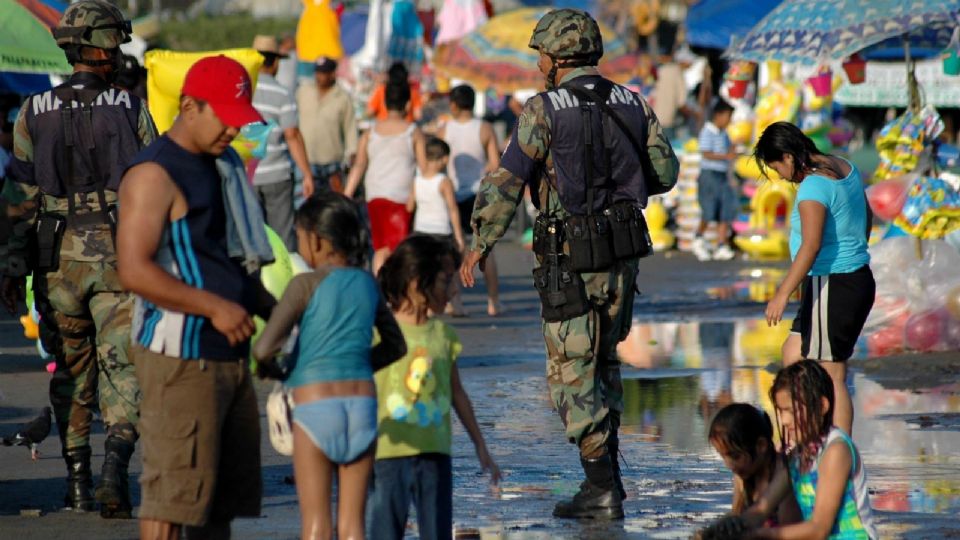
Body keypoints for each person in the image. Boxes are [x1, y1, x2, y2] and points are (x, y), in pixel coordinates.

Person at [461, 9, 679, 520]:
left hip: (568, 258)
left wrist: (480, 242)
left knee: (571, 373)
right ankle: (607, 481)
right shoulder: (633, 101)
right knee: (605, 362)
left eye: (539, 51)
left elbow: (507, 181)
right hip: (623, 255)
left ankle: (601, 486)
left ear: (556, 57)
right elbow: (664, 172)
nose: (536, 60)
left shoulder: (543, 110)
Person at [0, 0, 156, 518]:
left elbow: (18, 199)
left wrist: (10, 267)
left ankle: (79, 484)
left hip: (55, 262)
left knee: (71, 369)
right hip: (120, 257)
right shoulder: (132, 108)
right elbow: (154, 187)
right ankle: (116, 466)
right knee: (123, 365)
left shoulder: (31, 111)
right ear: (106, 46)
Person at [117, 55, 276, 539]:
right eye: (225, 118)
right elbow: (134, 270)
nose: (233, 130)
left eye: (239, 119)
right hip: (179, 359)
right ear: (189, 106)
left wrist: (288, 318)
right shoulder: (153, 174)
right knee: (171, 498)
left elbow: (231, 263)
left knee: (216, 504)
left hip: (229, 355)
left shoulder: (225, 165)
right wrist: (214, 307)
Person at [252, 193, 407, 540]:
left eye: (299, 235)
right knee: (354, 526)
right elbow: (396, 346)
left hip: (314, 407)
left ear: (317, 240)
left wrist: (278, 370)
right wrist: (356, 363)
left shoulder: (302, 285)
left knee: (316, 526)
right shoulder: (368, 283)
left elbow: (264, 348)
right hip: (362, 407)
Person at [371, 236, 500, 539]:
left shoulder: (444, 335)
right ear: (417, 284)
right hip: (388, 455)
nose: (453, 291)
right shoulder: (379, 332)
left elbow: (457, 393)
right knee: (385, 532)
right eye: (445, 281)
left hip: (435, 457)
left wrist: (481, 445)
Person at [755, 121, 875, 435]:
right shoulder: (843, 165)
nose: (781, 175)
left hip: (836, 283)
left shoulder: (813, 186)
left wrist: (782, 292)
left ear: (788, 156)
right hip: (844, 280)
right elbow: (868, 213)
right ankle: (801, 436)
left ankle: (839, 454)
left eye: (776, 166)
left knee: (833, 374)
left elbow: (811, 245)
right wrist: (856, 247)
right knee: (792, 353)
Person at [710, 361, 878, 539]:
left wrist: (759, 535)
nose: (784, 421)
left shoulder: (836, 451)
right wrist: (723, 530)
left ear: (822, 406)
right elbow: (761, 509)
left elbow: (819, 529)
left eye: (790, 411)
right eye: (781, 412)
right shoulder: (796, 457)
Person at [344, 81, 426, 274]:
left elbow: (359, 165)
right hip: (401, 197)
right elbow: (423, 169)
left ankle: (380, 291)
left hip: (374, 196)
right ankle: (398, 295)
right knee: (400, 250)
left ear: (384, 103)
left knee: (380, 249)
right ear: (408, 104)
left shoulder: (370, 133)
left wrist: (346, 194)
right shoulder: (412, 132)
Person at [438, 84, 503, 316]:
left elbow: (438, 161)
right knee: (486, 249)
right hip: (479, 194)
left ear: (453, 105)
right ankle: (493, 302)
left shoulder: (445, 129)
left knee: (457, 248)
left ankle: (455, 303)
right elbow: (495, 165)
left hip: (453, 194)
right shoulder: (485, 128)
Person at [251, 34, 316, 251]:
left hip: (248, 175)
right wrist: (306, 174)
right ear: (276, 62)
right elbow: (292, 136)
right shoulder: (282, 94)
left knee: (253, 236)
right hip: (277, 175)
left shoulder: (243, 91)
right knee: (282, 239)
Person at [707, 404, 801, 527]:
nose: (729, 465)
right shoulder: (742, 475)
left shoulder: (784, 474)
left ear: (761, 445)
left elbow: (787, 529)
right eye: (723, 456)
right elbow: (737, 513)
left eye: (735, 456)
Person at [297, 56, 358, 193]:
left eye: (323, 73)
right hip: (306, 161)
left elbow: (350, 128)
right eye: (318, 72)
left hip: (332, 164)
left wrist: (352, 153)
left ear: (332, 74)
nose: (319, 76)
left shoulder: (342, 97)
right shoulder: (303, 92)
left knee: (332, 206)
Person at [692, 99, 738, 262]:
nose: (729, 120)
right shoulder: (707, 131)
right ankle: (698, 238)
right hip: (709, 174)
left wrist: (733, 150)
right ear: (718, 115)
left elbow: (728, 151)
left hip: (722, 175)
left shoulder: (725, 133)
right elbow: (706, 153)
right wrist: (726, 156)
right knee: (709, 209)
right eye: (728, 116)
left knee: (724, 210)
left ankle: (721, 244)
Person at [409, 137, 466, 253]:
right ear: (445, 159)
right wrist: (459, 237)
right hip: (441, 231)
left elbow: (409, 206)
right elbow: (453, 209)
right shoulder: (444, 181)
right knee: (445, 266)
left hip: (420, 229)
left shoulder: (416, 181)